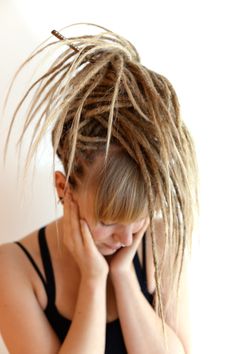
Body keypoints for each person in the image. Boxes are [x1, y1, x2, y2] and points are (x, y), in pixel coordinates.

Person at [0, 23, 198, 354]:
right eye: (107, 221)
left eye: (137, 216)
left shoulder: (160, 242)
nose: (126, 239)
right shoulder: (14, 269)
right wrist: (94, 280)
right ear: (64, 189)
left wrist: (122, 274)